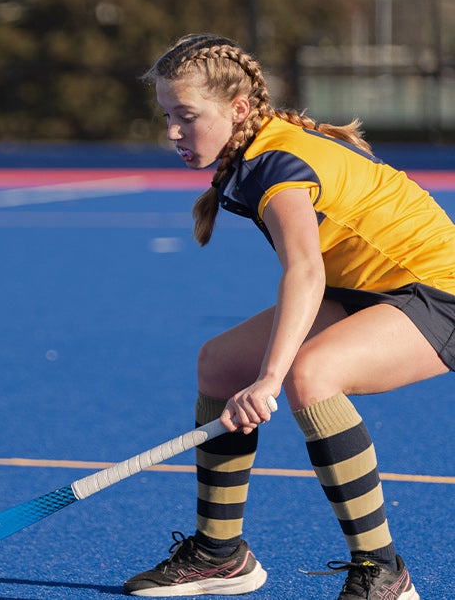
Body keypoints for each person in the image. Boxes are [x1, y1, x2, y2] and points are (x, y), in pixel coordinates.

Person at [124, 34, 436, 600]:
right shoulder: (260, 146)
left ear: (238, 110)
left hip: (437, 293)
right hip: (366, 287)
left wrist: (270, 378)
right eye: (168, 115)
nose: (173, 132)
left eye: (187, 117)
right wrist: (257, 372)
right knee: (219, 365)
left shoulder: (275, 164)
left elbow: (305, 272)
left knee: (310, 377)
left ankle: (384, 573)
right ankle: (221, 556)